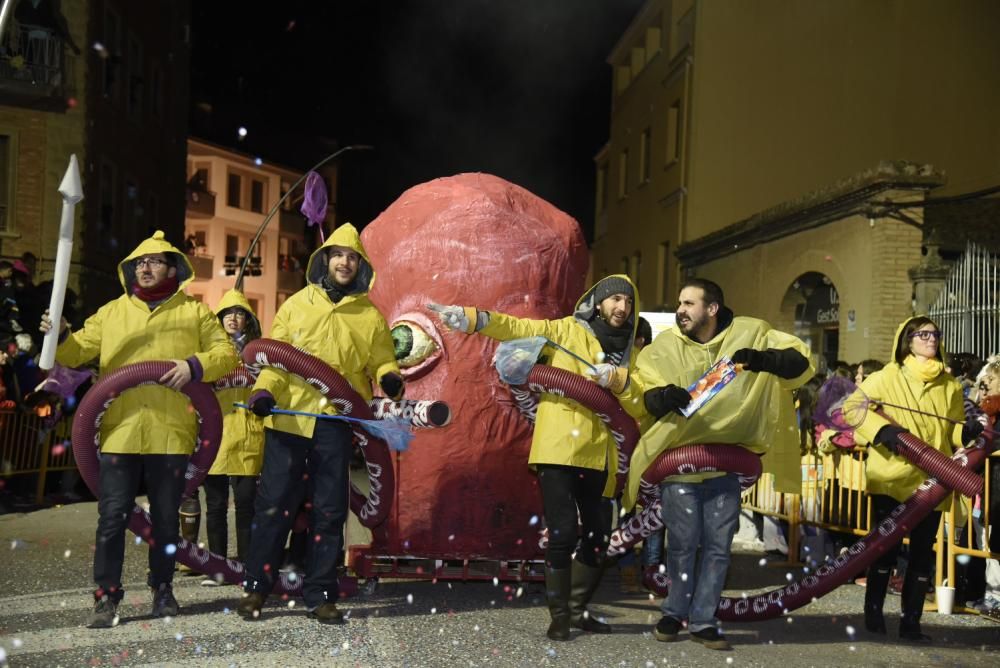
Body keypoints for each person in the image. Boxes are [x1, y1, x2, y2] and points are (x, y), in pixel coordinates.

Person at [39, 230, 238, 628]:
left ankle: (162, 587)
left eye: (155, 262)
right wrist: (58, 334)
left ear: (172, 269)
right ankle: (106, 596)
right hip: (121, 432)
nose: (145, 268)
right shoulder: (112, 312)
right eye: (140, 263)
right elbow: (74, 353)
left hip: (171, 431)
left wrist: (194, 366)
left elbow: (226, 354)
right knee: (112, 515)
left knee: (165, 519)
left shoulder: (195, 313)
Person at [429, 274, 639, 641]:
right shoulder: (565, 330)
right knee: (563, 532)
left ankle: (577, 609)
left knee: (597, 537)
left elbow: (636, 399)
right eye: (615, 299)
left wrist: (620, 381)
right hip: (559, 448)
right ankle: (559, 615)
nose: (622, 307)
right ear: (598, 301)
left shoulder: (629, 353)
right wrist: (472, 318)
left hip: (600, 456)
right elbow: (516, 327)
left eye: (629, 302)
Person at [621, 278, 812, 651]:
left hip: (725, 468)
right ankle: (674, 613)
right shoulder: (665, 347)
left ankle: (704, 620)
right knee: (682, 545)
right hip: (679, 469)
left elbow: (800, 362)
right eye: (680, 303)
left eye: (688, 303)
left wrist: (763, 359)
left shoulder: (751, 333)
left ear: (712, 308)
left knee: (718, 548)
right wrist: (661, 397)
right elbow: (641, 390)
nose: (680, 310)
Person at [235, 223, 403, 624]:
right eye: (338, 255)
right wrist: (264, 391)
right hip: (289, 421)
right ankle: (257, 589)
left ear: (360, 265)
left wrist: (390, 378)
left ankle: (321, 593)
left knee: (329, 511)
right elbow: (277, 360)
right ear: (325, 260)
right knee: (274, 507)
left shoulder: (369, 316)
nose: (345, 263)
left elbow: (381, 360)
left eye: (352, 257)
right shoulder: (296, 305)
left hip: (335, 423)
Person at [851, 316, 976, 643]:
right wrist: (882, 431)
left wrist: (967, 433)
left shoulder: (950, 385)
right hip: (891, 477)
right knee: (885, 550)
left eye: (935, 334)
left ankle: (911, 623)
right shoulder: (885, 376)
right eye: (923, 334)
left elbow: (952, 430)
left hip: (933, 482)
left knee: (922, 555)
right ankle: (874, 614)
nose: (931, 339)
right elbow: (851, 408)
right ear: (907, 340)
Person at [179, 289, 265, 584]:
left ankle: (247, 566)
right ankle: (218, 567)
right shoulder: (208, 353)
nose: (233, 318)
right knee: (215, 505)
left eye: (239, 313)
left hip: (248, 435)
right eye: (227, 314)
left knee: (246, 505)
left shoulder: (259, 353)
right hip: (215, 435)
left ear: (248, 320)